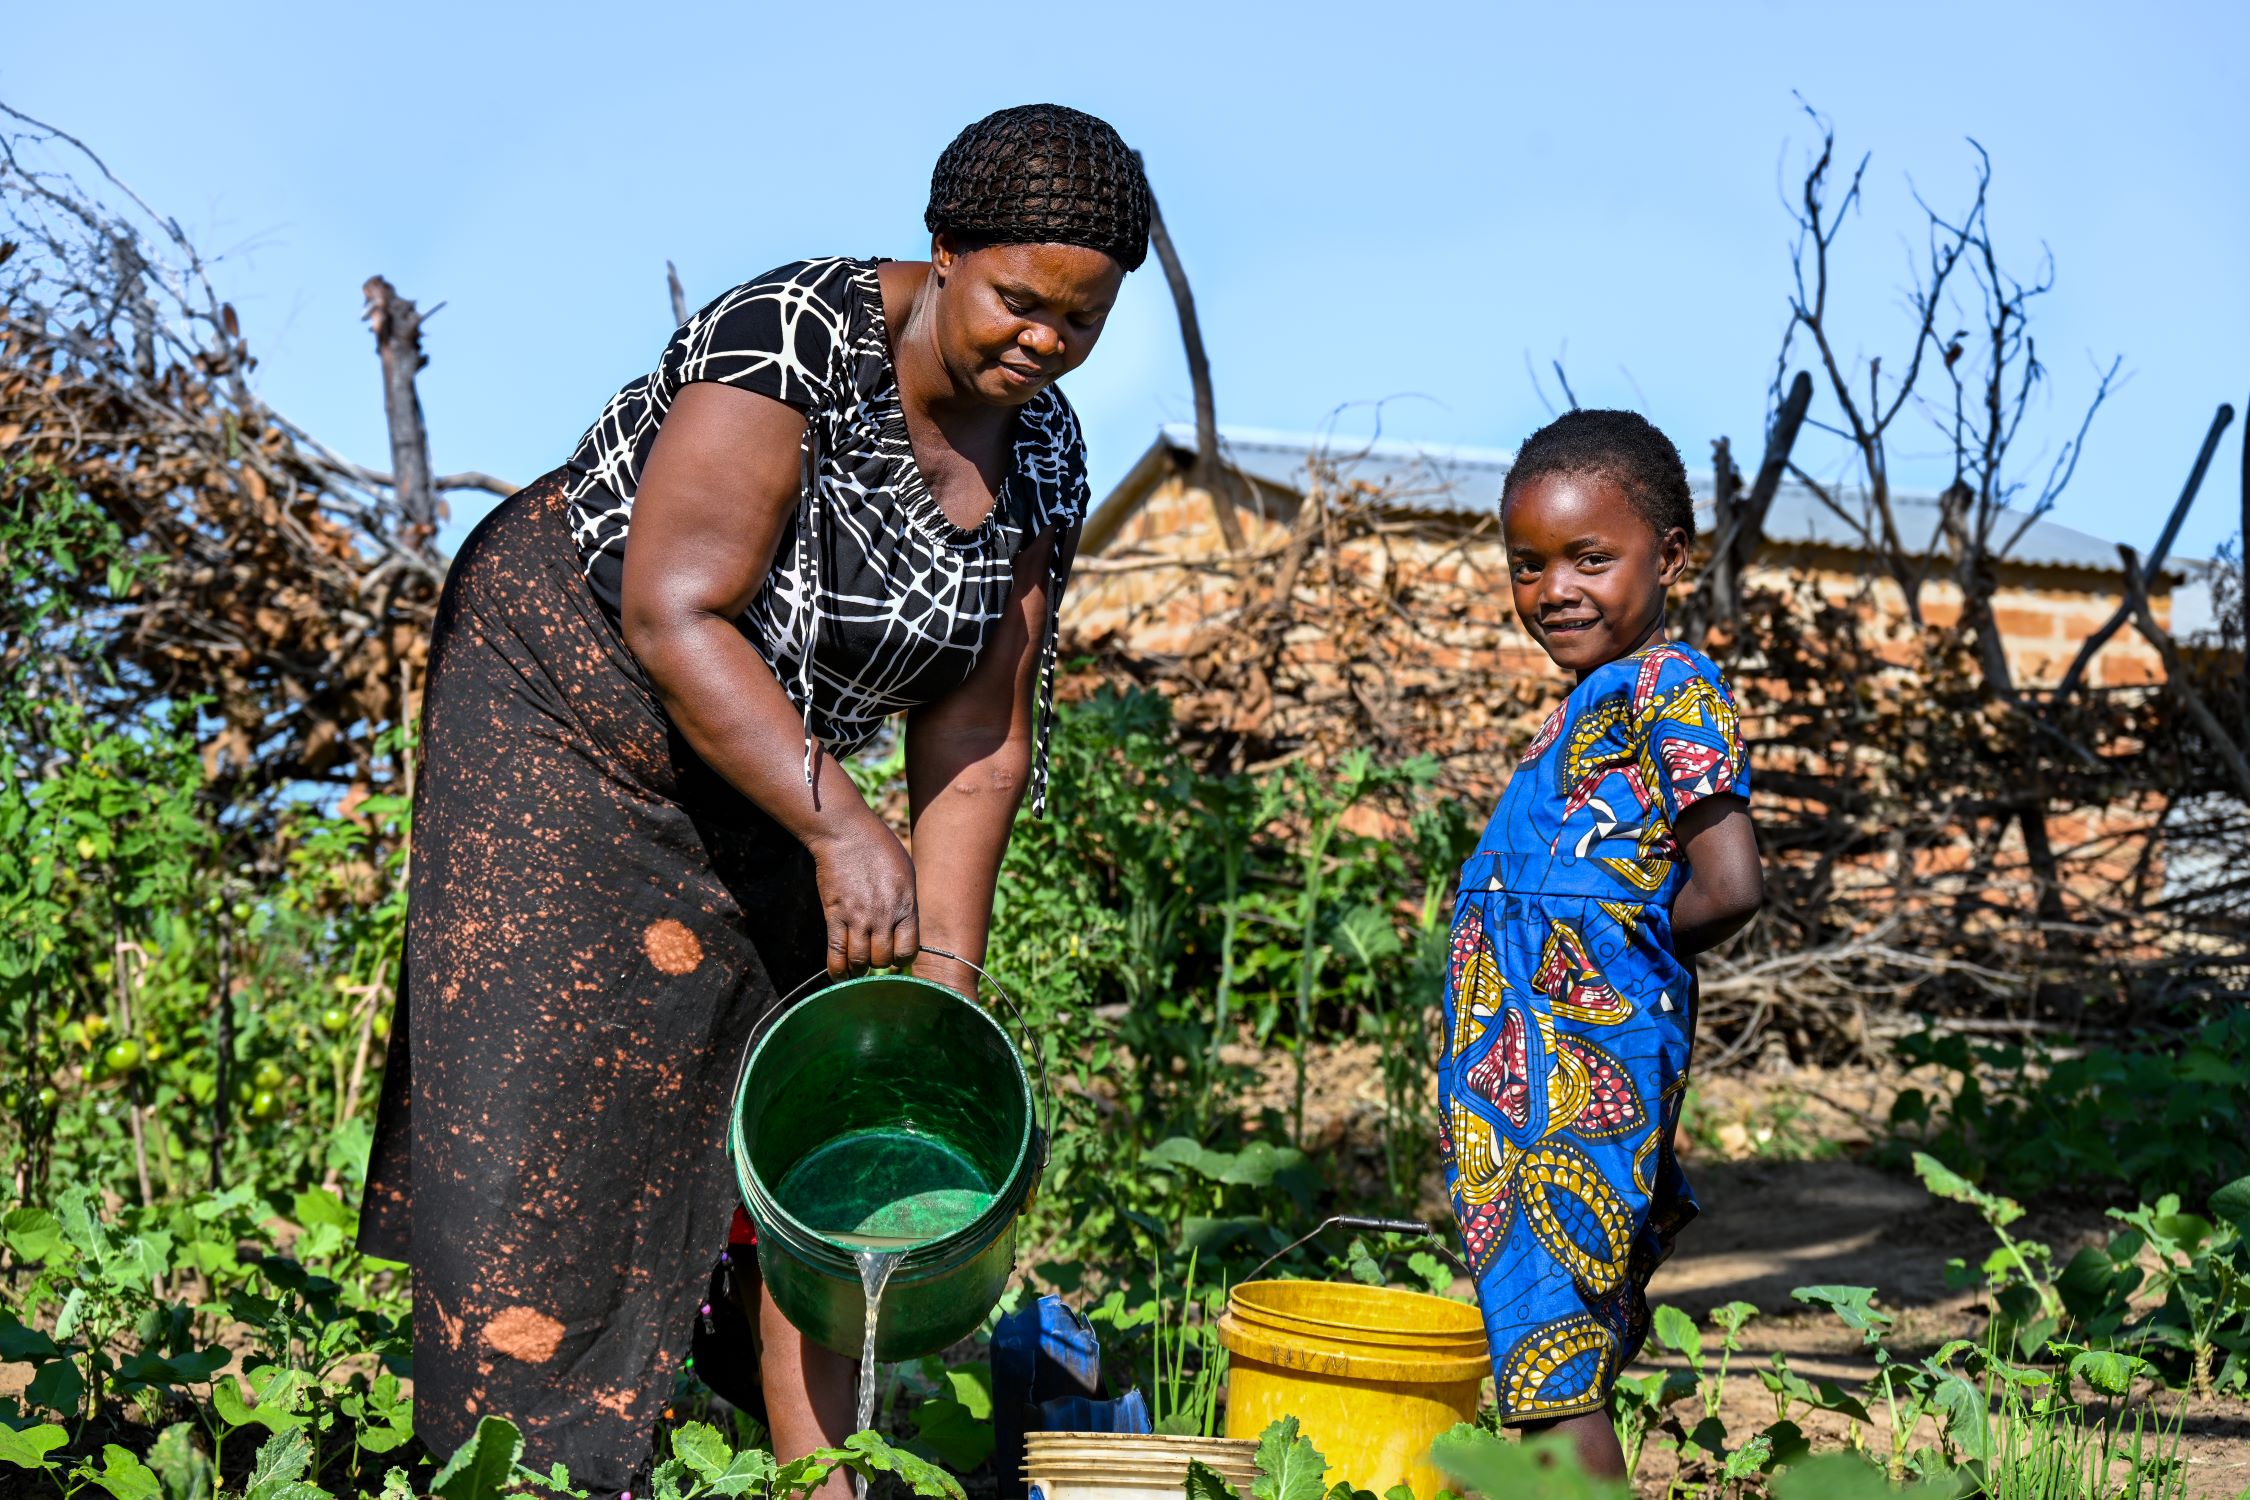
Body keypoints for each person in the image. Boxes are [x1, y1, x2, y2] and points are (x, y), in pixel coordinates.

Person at [356, 104, 1152, 1497]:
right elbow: (675, 612)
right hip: (574, 705)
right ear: (944, 248)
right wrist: (845, 827)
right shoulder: (793, 334)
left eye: (1077, 325)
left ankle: (809, 1472)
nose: (1042, 344)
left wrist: (941, 978)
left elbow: (978, 730)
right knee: (556, 1113)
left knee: (823, 1093)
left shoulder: (1045, 450)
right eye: (1019, 303)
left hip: (772, 758)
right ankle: (515, 1465)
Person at [1437, 409, 1765, 1477]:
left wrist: (1602, 957)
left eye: (1590, 557)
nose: (1553, 590)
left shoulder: (1671, 687)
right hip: (1522, 1071)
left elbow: (1730, 885)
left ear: (1669, 557)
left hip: (1576, 1071)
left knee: (1551, 1354)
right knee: (1544, 1351)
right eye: (1527, 566)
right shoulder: (1591, 706)